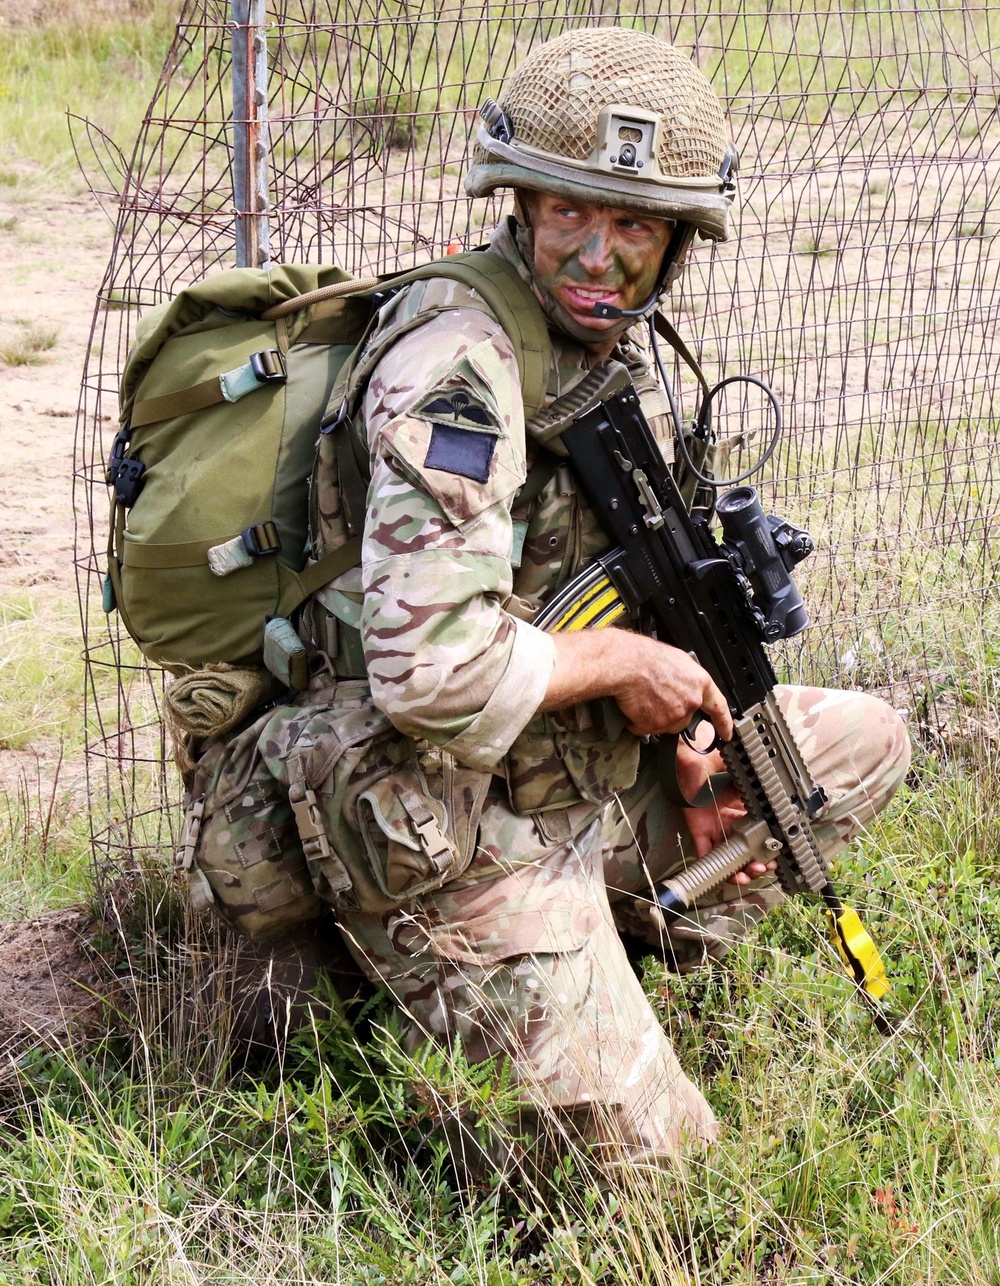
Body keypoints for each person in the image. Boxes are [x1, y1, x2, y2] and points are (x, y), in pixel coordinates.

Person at [303, 26, 911, 1166]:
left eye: (632, 225)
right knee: (661, 1178)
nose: (596, 255)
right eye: (567, 213)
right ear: (518, 204)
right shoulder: (462, 366)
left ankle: (625, 933)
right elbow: (425, 670)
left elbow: (596, 577)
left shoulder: (605, 350)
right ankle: (460, 968)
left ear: (677, 241)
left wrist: (684, 721)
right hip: (451, 815)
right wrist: (627, 667)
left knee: (853, 743)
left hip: (574, 768)